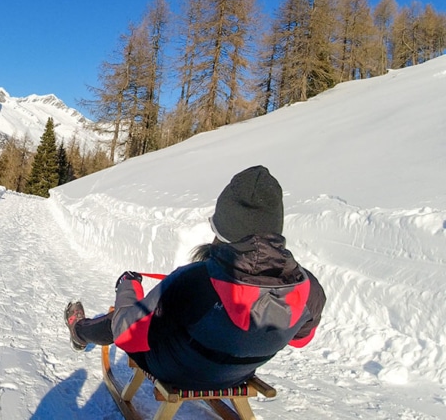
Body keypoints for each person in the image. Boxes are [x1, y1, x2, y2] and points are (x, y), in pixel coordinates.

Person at [64, 165, 326, 391]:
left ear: (222, 229)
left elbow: (126, 333)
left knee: (122, 319)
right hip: (236, 377)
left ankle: (80, 331)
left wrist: (127, 287)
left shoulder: (192, 281)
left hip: (176, 372)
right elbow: (300, 340)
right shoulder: (309, 289)